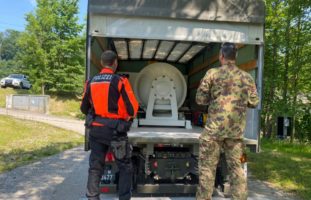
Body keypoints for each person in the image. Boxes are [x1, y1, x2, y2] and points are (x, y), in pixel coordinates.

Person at [195, 43, 259, 200]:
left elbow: (200, 99)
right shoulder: (247, 77)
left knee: (207, 169)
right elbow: (254, 102)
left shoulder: (212, 74)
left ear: (221, 56)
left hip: (213, 132)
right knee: (238, 169)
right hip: (236, 134)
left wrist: (216, 98)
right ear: (235, 57)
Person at [80, 50, 139, 200]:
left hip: (97, 130)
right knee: (125, 167)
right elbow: (132, 108)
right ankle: (124, 197)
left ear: (101, 63)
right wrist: (126, 118)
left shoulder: (90, 81)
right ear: (115, 63)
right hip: (116, 131)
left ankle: (92, 197)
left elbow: (83, 108)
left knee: (95, 167)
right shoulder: (120, 81)